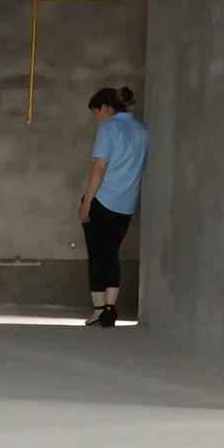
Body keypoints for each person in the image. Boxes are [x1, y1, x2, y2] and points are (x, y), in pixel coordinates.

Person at [79, 87, 149, 328]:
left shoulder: (109, 128)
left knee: (97, 255)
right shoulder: (141, 130)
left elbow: (99, 166)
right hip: (126, 204)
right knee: (111, 254)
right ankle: (110, 307)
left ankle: (99, 309)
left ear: (106, 108)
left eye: (96, 112)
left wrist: (87, 201)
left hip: (102, 199)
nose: (96, 118)